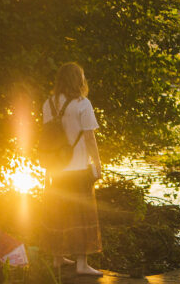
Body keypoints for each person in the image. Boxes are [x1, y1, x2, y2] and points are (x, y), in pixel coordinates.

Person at [41, 62, 103, 276]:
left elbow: (47, 138)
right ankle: (81, 264)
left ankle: (57, 258)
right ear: (78, 80)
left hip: (56, 168)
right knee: (82, 215)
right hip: (77, 167)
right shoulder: (82, 103)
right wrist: (97, 163)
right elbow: (89, 137)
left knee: (58, 212)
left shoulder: (48, 104)